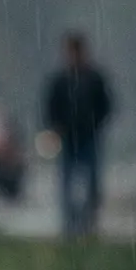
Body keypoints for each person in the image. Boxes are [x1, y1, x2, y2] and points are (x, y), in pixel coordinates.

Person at [43, 31, 115, 238]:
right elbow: (50, 107)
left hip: (89, 136)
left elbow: (105, 105)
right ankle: (70, 222)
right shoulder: (60, 80)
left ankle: (87, 219)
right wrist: (56, 126)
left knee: (91, 180)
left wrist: (95, 124)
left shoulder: (93, 78)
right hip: (67, 137)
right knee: (66, 181)